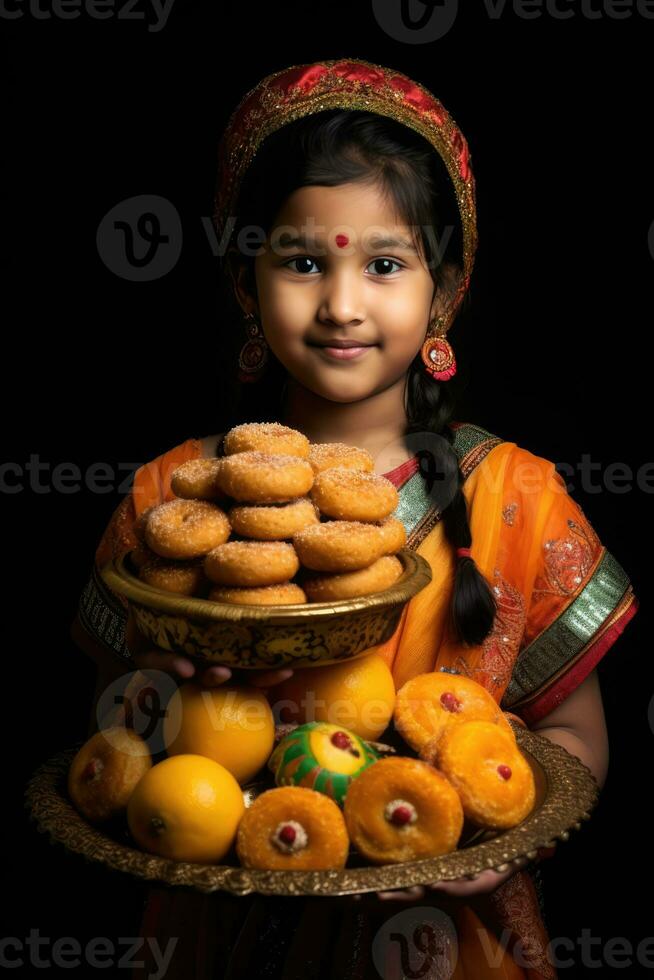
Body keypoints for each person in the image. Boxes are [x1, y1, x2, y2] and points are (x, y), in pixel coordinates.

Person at [70, 58, 639, 979]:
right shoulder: (175, 497)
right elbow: (106, 726)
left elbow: (579, 744)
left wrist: (489, 842)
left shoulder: (516, 497)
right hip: (219, 939)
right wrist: (171, 696)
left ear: (443, 288)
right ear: (244, 281)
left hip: (449, 947)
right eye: (301, 261)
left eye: (384, 264)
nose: (341, 305)